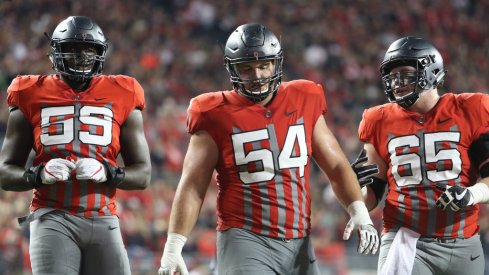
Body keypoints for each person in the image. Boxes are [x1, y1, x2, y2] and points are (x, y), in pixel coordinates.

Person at [158, 23, 379, 275]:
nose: (258, 75)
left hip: (299, 240)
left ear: (277, 64)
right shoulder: (213, 112)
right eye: (247, 68)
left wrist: (359, 210)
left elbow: (337, 165)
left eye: (264, 66)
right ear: (233, 69)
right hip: (245, 238)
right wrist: (174, 244)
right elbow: (193, 184)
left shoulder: (303, 97)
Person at [0, 16, 151, 275]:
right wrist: (38, 174)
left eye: (88, 50)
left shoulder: (123, 91)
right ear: (56, 53)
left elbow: (143, 173)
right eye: (73, 49)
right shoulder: (30, 91)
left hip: (103, 216)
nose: (81, 57)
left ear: (100, 53)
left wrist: (108, 172)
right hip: (52, 216)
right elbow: (5, 172)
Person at [354, 36, 489, 275]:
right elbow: (372, 193)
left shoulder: (472, 109)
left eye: (404, 74)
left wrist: (471, 194)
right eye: (392, 77)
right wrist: (355, 191)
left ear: (431, 71)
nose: (396, 82)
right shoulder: (378, 119)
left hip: (464, 241)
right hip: (406, 237)